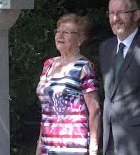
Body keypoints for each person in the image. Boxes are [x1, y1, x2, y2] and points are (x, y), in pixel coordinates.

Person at [100, 0, 140, 155]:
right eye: (112, 13)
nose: (115, 18)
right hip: (111, 139)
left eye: (121, 12)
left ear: (136, 15)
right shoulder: (105, 48)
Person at [36, 13, 101, 155]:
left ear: (80, 39)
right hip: (47, 145)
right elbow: (46, 109)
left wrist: (93, 148)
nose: (60, 35)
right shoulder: (48, 64)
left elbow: (95, 110)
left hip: (73, 147)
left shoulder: (84, 67)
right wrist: (39, 145)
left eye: (66, 32)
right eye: (58, 31)